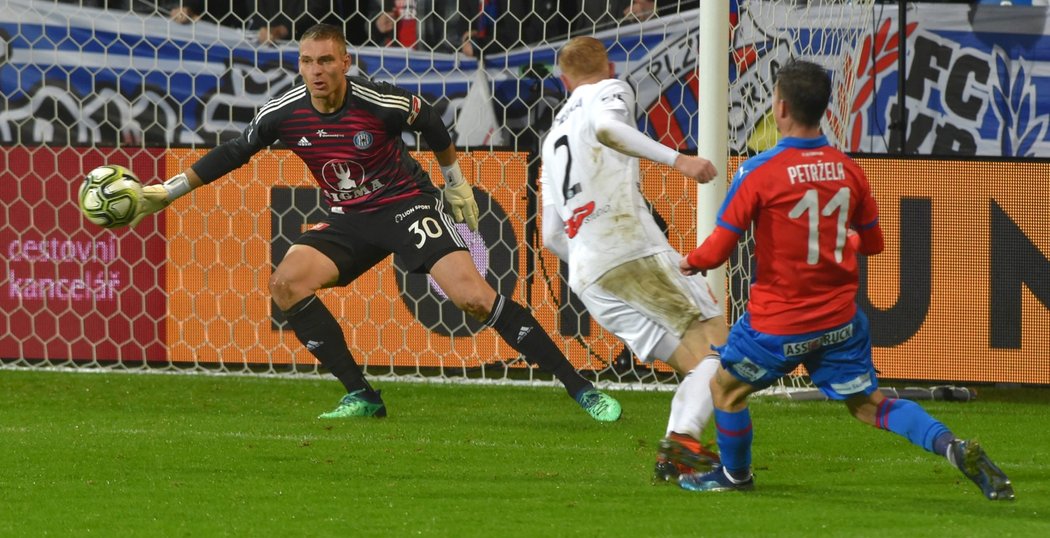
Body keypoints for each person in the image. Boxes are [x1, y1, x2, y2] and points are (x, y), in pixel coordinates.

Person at [128, 23, 622, 422]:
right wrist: (166, 193)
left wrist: (454, 182)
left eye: (326, 60)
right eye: (306, 61)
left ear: (345, 63)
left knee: (473, 296)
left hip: (406, 205)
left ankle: (579, 387)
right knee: (287, 284)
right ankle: (362, 396)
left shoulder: (377, 101)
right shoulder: (284, 113)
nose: (316, 71)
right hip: (347, 218)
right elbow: (236, 151)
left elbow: (430, 120)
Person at [676, 60, 1014, 500]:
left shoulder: (758, 171)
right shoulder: (848, 169)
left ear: (779, 107)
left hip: (778, 324)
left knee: (725, 388)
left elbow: (719, 250)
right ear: (822, 108)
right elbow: (874, 244)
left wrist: (690, 262)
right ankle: (952, 446)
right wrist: (847, 238)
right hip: (838, 323)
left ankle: (735, 476)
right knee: (869, 405)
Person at [539, 36, 725, 480]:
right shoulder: (607, 91)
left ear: (563, 80)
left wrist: (594, 256)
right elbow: (607, 129)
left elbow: (550, 235)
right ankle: (681, 449)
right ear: (610, 66)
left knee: (698, 364)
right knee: (724, 351)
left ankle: (678, 454)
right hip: (628, 249)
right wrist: (679, 160)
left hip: (588, 275)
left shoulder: (551, 139)